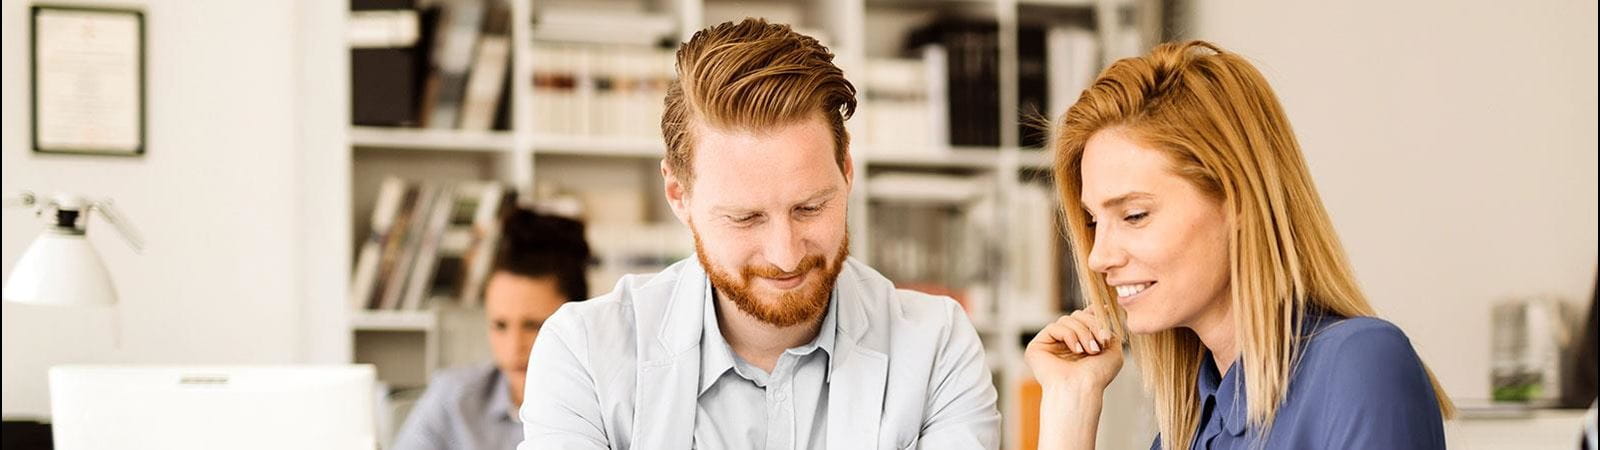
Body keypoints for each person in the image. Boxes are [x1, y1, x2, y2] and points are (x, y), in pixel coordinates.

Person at [519, 18, 1000, 450]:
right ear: (678, 195)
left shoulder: (937, 344)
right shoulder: (582, 352)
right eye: (746, 218)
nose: (786, 254)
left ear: (847, 172)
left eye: (810, 207)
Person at [1025, 41, 1455, 450]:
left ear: (1241, 201)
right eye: (1093, 221)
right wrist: (1070, 404)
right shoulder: (1189, 429)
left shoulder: (1358, 364)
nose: (1099, 257)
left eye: (1134, 215)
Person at [394, 209, 592, 450]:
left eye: (534, 326)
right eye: (500, 325)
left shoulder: (610, 408)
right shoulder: (453, 398)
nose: (513, 347)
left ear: (577, 321)